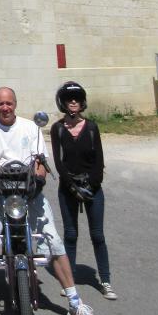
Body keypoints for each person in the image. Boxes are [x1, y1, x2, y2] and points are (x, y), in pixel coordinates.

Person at [0, 87, 100, 315]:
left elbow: (40, 162)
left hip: (29, 193)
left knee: (53, 241)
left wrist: (39, 181)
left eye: (9, 103)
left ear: (15, 103)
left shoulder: (31, 129)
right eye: (0, 104)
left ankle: (75, 302)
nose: (5, 108)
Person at [50, 81, 116, 300]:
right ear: (63, 102)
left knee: (97, 235)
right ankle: (70, 282)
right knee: (70, 234)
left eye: (77, 98)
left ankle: (105, 281)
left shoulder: (91, 127)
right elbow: (59, 163)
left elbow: (99, 160)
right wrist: (71, 185)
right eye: (70, 99)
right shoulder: (58, 129)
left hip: (92, 188)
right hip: (68, 188)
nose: (74, 102)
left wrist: (92, 185)